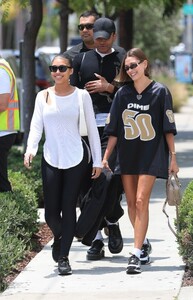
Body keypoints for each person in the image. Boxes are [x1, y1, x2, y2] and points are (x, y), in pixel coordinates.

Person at [102, 48, 179, 274]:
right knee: (132, 205)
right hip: (127, 155)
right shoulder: (122, 94)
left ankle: (134, 255)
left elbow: (168, 129)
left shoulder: (160, 92)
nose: (131, 70)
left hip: (151, 154)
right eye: (127, 67)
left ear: (145, 64)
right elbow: (113, 130)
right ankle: (142, 243)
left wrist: (173, 157)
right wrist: (106, 157)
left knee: (140, 200)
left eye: (134, 65)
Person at [24, 54, 102, 275]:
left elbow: (93, 131)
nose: (57, 72)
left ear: (70, 72)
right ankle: (62, 235)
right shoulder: (43, 96)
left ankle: (64, 257)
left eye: (61, 68)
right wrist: (30, 150)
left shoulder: (82, 96)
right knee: (50, 213)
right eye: (53, 68)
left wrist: (96, 159)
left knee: (68, 207)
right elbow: (36, 127)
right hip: (51, 157)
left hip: (75, 158)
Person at [70, 16, 127, 260]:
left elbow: (135, 93)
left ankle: (112, 221)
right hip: (84, 128)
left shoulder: (123, 59)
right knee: (86, 182)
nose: (101, 43)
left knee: (109, 178)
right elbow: (69, 94)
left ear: (113, 37)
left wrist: (109, 88)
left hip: (113, 128)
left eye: (105, 39)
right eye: (97, 39)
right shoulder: (80, 59)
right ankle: (96, 240)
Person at [0, 56, 20, 192]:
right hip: (3, 131)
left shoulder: (1, 71)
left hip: (2, 132)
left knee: (1, 181)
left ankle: (7, 208)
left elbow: (2, 104)